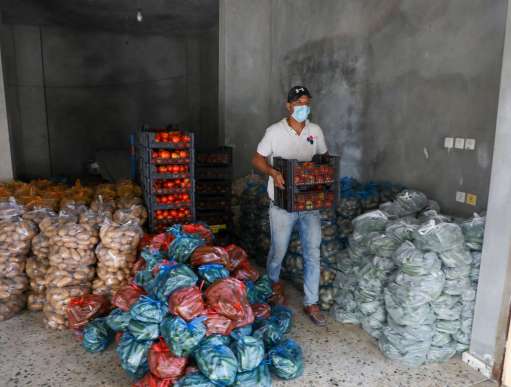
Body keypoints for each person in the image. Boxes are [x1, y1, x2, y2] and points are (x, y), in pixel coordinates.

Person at [251, 85, 328, 326]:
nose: (302, 108)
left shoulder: (315, 130)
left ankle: (311, 302)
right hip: (282, 204)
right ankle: (274, 285)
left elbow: (323, 159)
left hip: (309, 204)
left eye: (306, 103)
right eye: (298, 103)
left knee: (313, 252)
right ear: (288, 106)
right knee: (278, 250)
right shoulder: (274, 131)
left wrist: (320, 175)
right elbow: (257, 158)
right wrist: (273, 172)